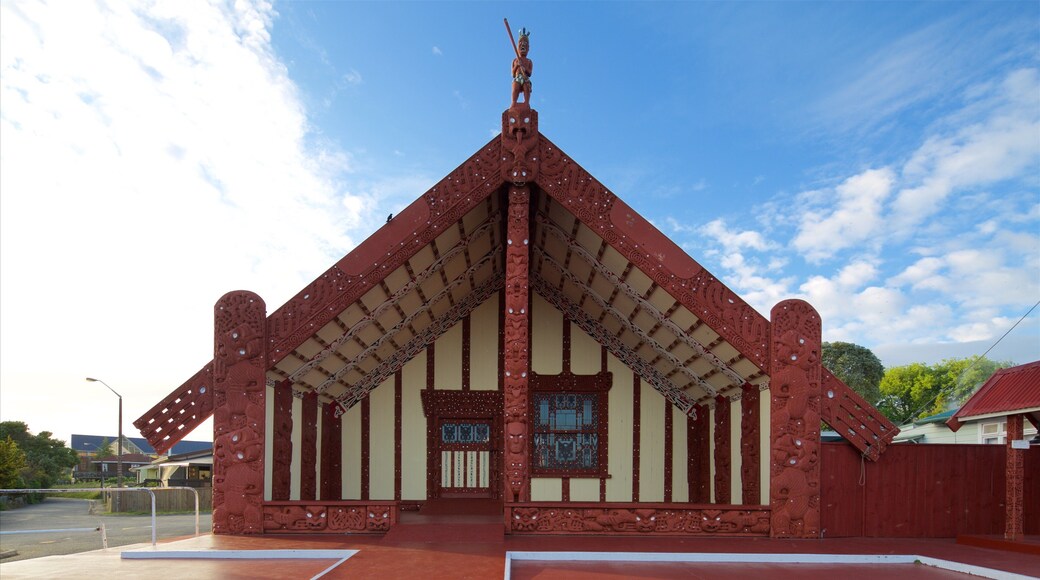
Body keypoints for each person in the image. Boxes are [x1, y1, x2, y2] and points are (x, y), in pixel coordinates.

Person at [511, 28, 532, 106]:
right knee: (515, 88)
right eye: (520, 42)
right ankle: (514, 102)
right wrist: (517, 65)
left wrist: (524, 69)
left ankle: (526, 102)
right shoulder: (515, 60)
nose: (523, 44)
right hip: (518, 78)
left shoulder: (529, 61)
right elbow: (513, 74)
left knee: (526, 88)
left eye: (525, 43)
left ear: (528, 48)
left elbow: (530, 73)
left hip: (525, 78)